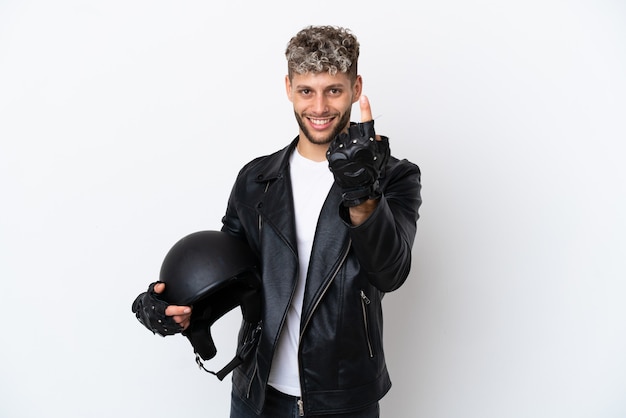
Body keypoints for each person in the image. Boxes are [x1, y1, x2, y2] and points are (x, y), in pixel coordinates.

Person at [136, 25, 422, 417]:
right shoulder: (256, 180)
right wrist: (180, 308)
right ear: (289, 87)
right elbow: (236, 275)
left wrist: (363, 194)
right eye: (307, 91)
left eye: (333, 90)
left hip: (343, 400)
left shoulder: (395, 177)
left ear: (356, 88)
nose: (319, 108)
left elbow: (390, 272)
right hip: (256, 394)